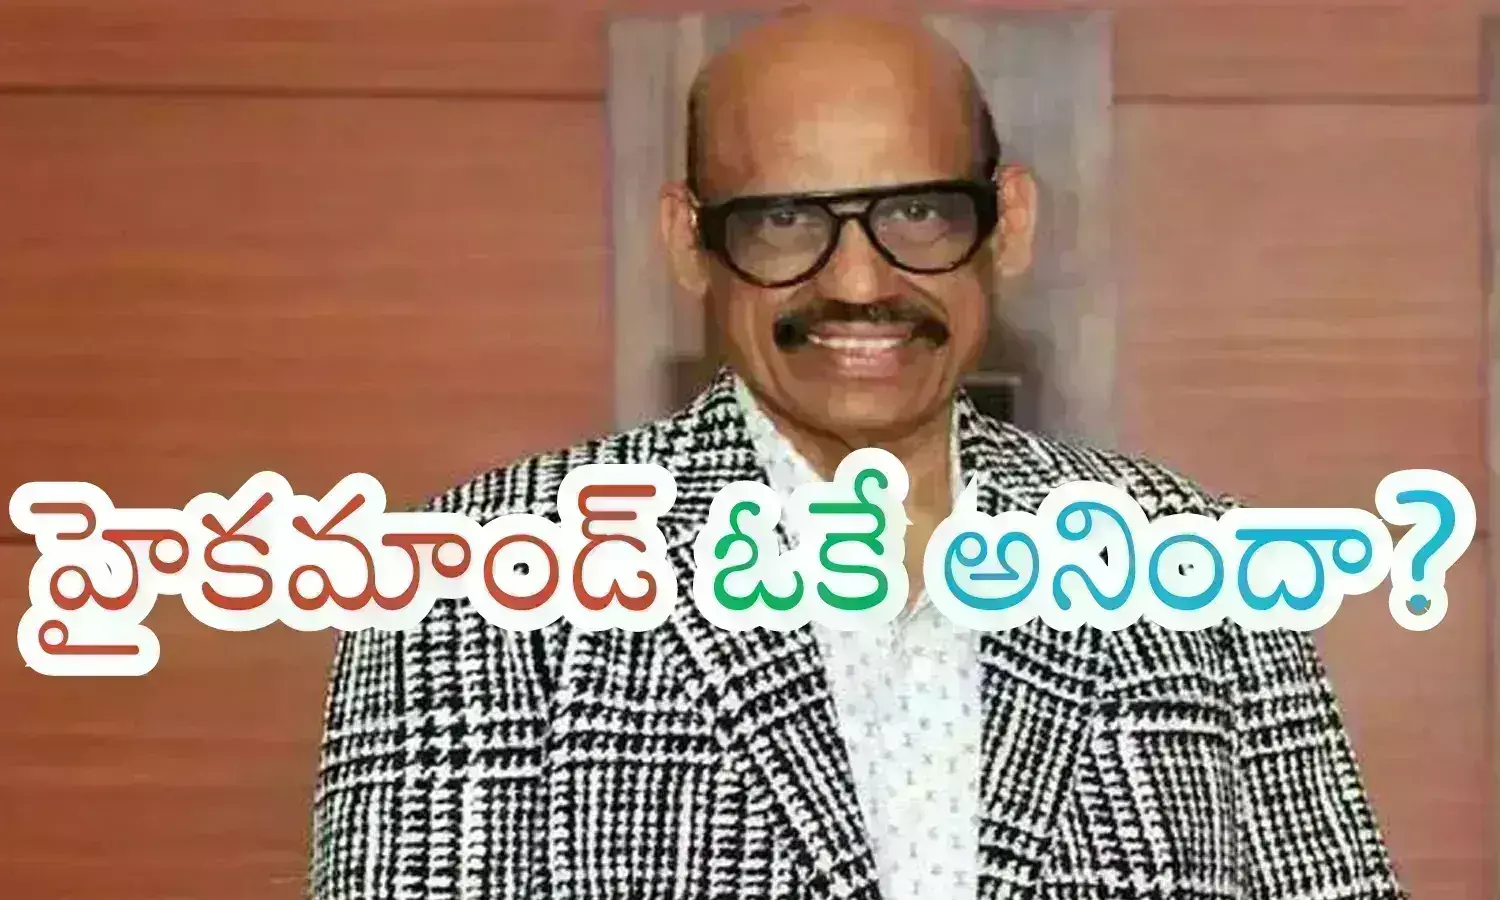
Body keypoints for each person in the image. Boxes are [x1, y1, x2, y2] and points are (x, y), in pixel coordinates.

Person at [308, 11, 1405, 900]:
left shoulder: (1197, 571)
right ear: (689, 240)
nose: (860, 283)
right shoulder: (478, 587)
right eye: (786, 221)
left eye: (919, 212)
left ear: (1009, 221)